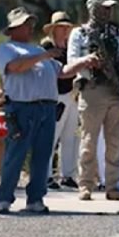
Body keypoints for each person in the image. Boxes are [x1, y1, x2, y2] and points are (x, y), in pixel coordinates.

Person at [0, 7, 98, 214]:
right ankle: (4, 199)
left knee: (42, 156)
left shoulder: (39, 52)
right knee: (15, 155)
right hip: (21, 108)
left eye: (30, 23)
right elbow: (15, 67)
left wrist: (84, 62)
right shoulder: (7, 49)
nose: (29, 27)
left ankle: (36, 199)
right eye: (24, 24)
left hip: (47, 109)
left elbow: (62, 72)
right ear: (13, 28)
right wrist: (44, 56)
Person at [68, 0, 119, 201]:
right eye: (104, 8)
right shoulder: (79, 34)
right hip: (92, 90)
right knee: (89, 141)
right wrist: (89, 67)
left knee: (113, 143)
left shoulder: (117, 33)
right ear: (93, 9)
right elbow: (72, 60)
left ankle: (112, 186)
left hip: (115, 93)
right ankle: (86, 185)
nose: (108, 11)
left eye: (110, 8)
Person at [41, 11, 79, 190]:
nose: (64, 31)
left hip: (72, 95)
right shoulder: (47, 48)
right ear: (54, 29)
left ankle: (68, 175)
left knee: (70, 137)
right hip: (55, 96)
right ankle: (46, 174)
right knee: (51, 137)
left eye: (66, 28)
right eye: (61, 28)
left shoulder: (70, 48)